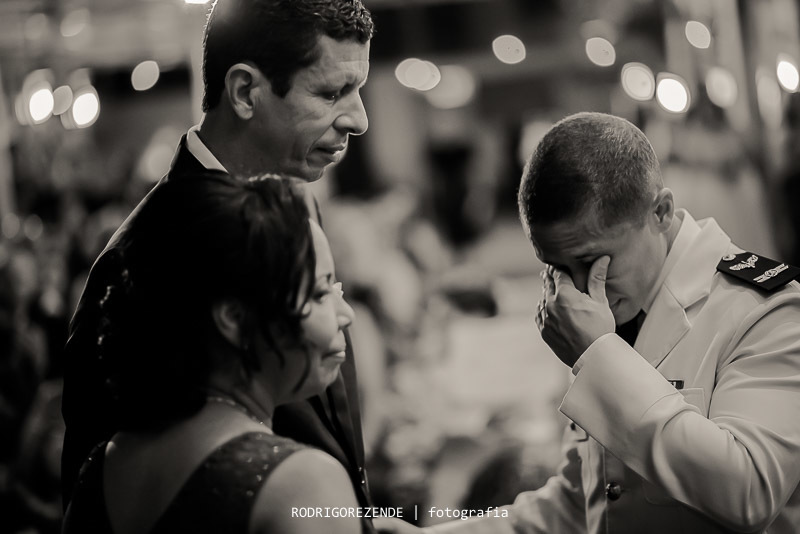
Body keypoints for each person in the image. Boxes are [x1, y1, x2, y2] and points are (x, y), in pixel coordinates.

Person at [377, 112, 800, 533]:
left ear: (660, 213)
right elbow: (580, 506)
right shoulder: (612, 306)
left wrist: (599, 356)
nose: (578, 292)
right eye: (555, 269)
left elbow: (751, 492)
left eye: (592, 262)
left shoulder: (767, 311)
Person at [61, 0, 376, 529]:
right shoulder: (138, 259)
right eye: (331, 92)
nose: (359, 119)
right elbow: (103, 499)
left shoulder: (297, 205)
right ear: (245, 92)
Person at [62, 172, 361, 533]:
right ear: (233, 318)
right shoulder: (304, 483)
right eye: (318, 293)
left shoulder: (102, 468)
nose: (347, 314)